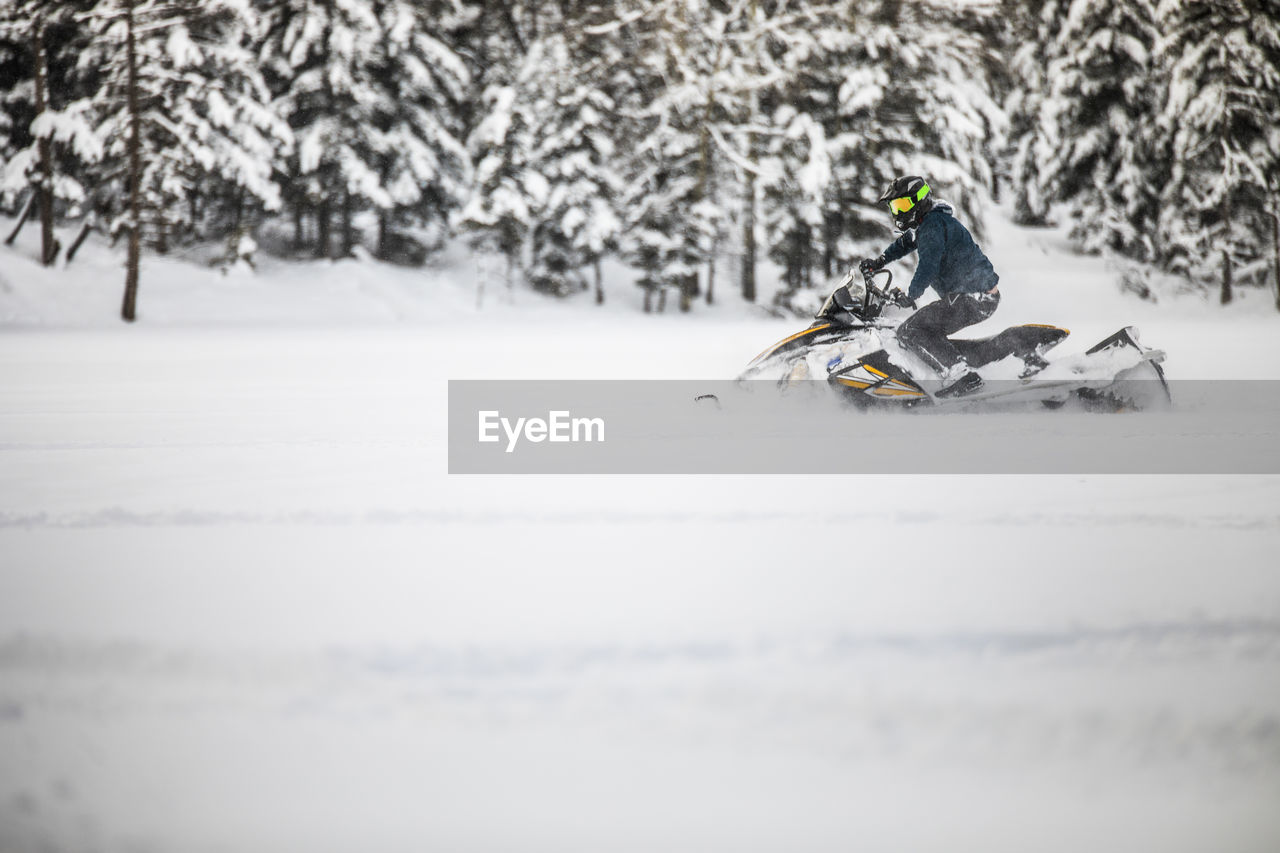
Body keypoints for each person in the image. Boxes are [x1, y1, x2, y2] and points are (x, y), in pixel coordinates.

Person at [860, 176, 1000, 397]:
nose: (898, 212)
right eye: (895, 207)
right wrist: (880, 262)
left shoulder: (932, 226)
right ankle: (951, 369)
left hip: (974, 297)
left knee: (911, 330)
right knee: (925, 328)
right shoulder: (928, 223)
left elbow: (928, 265)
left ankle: (962, 375)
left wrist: (911, 294)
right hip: (973, 296)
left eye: (903, 205)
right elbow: (905, 242)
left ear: (920, 200)